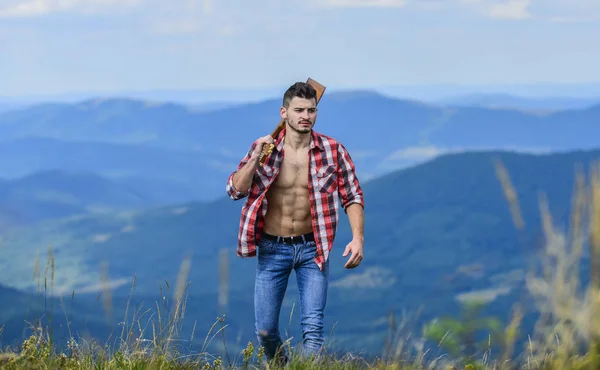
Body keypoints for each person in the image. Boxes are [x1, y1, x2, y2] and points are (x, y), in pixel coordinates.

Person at [225, 81, 365, 363]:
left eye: (311, 110)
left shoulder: (333, 150)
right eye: (299, 110)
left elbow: (352, 195)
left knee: (313, 331)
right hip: (272, 248)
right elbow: (234, 190)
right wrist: (254, 159)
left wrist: (357, 237)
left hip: (313, 248)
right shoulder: (264, 149)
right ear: (284, 113)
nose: (306, 116)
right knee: (265, 331)